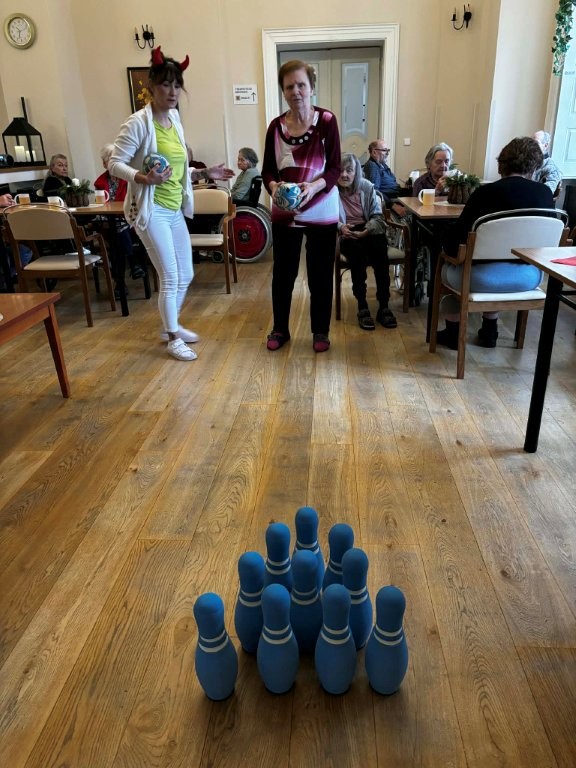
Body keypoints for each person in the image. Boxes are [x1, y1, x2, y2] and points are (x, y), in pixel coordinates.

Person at [108, 46, 234, 361]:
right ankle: (173, 337)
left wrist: (204, 173)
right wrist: (142, 177)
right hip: (151, 212)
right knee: (170, 276)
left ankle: (170, 326)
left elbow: (176, 171)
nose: (173, 91)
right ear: (151, 86)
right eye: (166, 84)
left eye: (177, 85)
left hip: (175, 209)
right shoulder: (138, 123)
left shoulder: (175, 120)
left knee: (186, 273)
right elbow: (114, 163)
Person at [436, 136, 554, 349]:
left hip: (479, 280)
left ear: (502, 164)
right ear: (534, 165)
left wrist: (446, 242)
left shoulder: (485, 193)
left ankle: (453, 334)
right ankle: (489, 332)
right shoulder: (545, 195)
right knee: (497, 264)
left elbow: (457, 242)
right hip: (528, 278)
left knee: (451, 268)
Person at [262, 59, 341, 353]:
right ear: (283, 91)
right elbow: (267, 171)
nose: (295, 91)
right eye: (289, 87)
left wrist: (313, 187)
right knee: (283, 274)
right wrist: (274, 188)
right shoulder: (275, 127)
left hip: (322, 209)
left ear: (311, 87)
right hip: (285, 210)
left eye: (301, 85)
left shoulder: (327, 121)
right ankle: (280, 329)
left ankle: (320, 331)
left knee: (320, 274)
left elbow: (334, 168)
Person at [337, 153, 397, 330]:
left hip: (368, 228)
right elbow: (328, 217)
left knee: (380, 250)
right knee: (356, 254)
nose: (344, 175)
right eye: (340, 170)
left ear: (356, 172)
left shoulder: (367, 187)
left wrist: (367, 230)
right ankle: (362, 306)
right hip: (346, 231)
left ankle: (384, 306)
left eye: (349, 170)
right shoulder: (331, 191)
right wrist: (341, 227)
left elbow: (378, 217)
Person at [94, 143, 146, 294]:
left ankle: (120, 284)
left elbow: (133, 203)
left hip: (130, 221)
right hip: (108, 223)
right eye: (109, 160)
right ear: (104, 164)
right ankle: (133, 263)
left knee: (117, 238)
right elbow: (100, 204)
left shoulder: (130, 178)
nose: (113, 163)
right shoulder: (99, 182)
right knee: (116, 234)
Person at [362, 139, 406, 216]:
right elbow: (374, 191)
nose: (387, 153)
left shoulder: (382, 165)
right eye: (385, 150)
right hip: (389, 205)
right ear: (374, 152)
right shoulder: (372, 166)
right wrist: (393, 205)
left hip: (397, 199)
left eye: (388, 150)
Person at [533, 130, 562, 196]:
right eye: (530, 142)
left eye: (536, 143)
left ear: (545, 145)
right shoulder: (525, 162)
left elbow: (546, 193)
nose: (531, 146)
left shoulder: (551, 168)